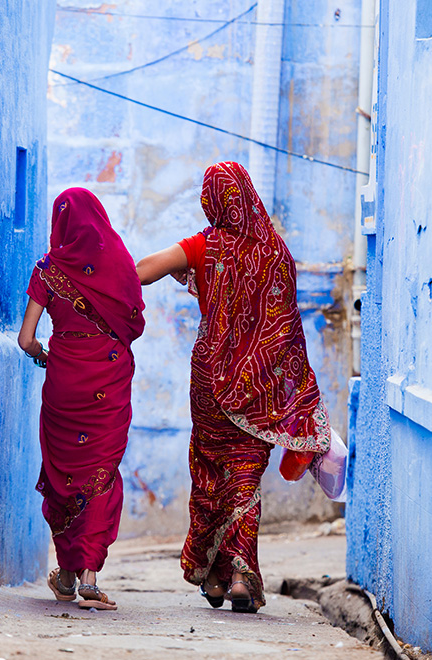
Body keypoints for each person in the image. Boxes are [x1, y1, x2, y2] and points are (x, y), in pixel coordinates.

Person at [135, 161, 330, 613]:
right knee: (244, 476)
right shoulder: (276, 252)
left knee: (210, 472)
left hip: (209, 379)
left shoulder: (206, 246)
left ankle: (215, 578)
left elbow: (143, 270)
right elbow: (283, 326)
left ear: (211, 200)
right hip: (259, 383)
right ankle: (241, 573)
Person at [18, 187, 145, 610]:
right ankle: (88, 576)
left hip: (63, 381)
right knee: (101, 470)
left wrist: (46, 357)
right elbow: (135, 323)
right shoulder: (121, 264)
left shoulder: (47, 269)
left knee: (63, 474)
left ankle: (68, 573)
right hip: (107, 378)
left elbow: (26, 340)